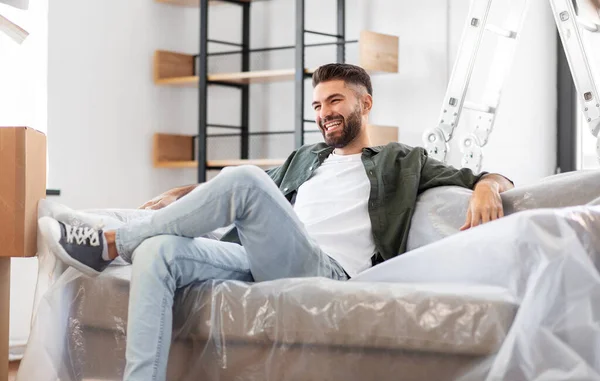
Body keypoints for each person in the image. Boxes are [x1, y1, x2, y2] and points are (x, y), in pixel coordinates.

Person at [38, 63, 514, 381]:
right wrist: (177, 195)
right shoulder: (305, 159)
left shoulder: (400, 159)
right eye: (317, 105)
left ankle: (110, 243)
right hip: (264, 258)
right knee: (160, 251)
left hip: (329, 271)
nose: (324, 114)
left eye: (334, 102)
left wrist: (489, 187)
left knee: (241, 178)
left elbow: (487, 175)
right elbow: (244, 196)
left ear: (364, 105)